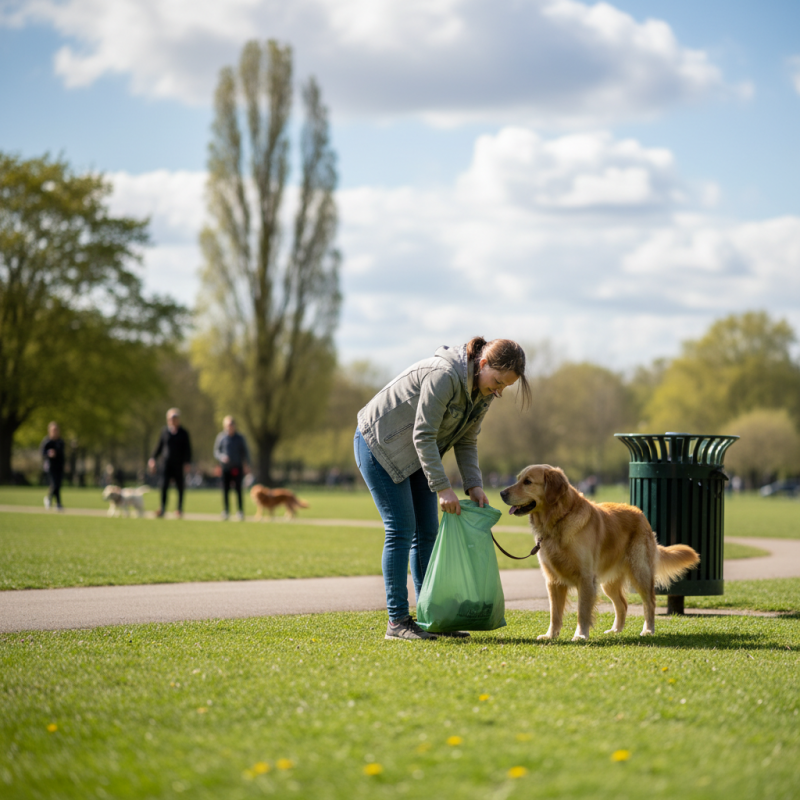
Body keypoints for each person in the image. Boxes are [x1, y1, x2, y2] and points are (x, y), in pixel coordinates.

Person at [355, 337, 530, 641]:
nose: (499, 391)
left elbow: (466, 439)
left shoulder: (484, 391)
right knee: (401, 528)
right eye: (499, 382)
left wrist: (473, 485)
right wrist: (442, 488)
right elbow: (423, 435)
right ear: (483, 364)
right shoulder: (445, 375)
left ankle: (430, 616)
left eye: (506, 387)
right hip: (379, 445)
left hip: (419, 455)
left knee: (427, 533)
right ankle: (397, 622)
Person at [148, 408, 192, 518]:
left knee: (180, 487)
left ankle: (179, 508)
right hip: (166, 464)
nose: (173, 420)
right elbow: (159, 446)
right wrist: (152, 458)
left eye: (175, 418)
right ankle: (162, 508)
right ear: (168, 420)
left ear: (178, 419)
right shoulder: (164, 431)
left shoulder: (183, 433)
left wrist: (187, 462)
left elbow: (188, 449)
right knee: (164, 486)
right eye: (171, 419)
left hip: (179, 464)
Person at [213, 415, 251, 520]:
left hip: (237, 467)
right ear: (224, 426)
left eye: (231, 425)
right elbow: (216, 451)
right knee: (225, 490)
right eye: (228, 425)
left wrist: (247, 464)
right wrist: (222, 457)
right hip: (225, 468)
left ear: (234, 426)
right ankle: (226, 510)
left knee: (238, 489)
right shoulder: (221, 437)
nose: (230, 427)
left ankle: (240, 511)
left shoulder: (240, 438)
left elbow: (245, 452)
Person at [40, 421, 66, 511]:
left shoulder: (60, 441)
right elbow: (42, 452)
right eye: (53, 430)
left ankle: (56, 502)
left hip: (59, 466)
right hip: (50, 466)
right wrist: (48, 453)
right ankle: (54, 501)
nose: (55, 432)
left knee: (58, 485)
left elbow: (62, 454)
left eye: (56, 430)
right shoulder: (47, 441)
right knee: (54, 484)